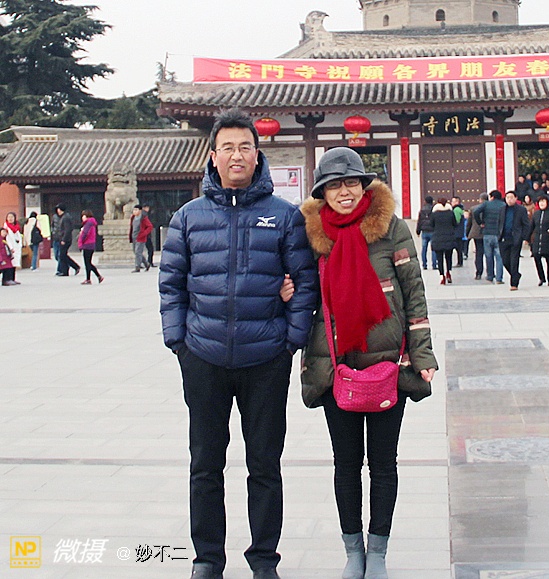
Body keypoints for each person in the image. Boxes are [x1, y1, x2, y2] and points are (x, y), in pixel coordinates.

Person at [159, 108, 318, 579]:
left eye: (244, 146)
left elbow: (305, 282)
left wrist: (290, 340)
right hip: (203, 356)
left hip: (265, 358)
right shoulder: (188, 217)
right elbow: (171, 284)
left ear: (257, 153)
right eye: (227, 147)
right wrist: (179, 341)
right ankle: (208, 558)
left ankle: (264, 559)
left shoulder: (284, 216)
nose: (236, 155)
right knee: (205, 464)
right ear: (213, 155)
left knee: (264, 465)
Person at [299, 146, 437, 579]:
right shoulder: (312, 235)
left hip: (386, 365)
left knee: (383, 464)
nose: (344, 192)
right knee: (345, 465)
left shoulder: (391, 228)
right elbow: (300, 291)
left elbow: (413, 292)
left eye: (351, 183)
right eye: (334, 185)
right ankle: (352, 551)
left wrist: (423, 353)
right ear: (322, 193)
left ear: (364, 185)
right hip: (334, 364)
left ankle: (378, 550)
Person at [498, 191, 531, 290]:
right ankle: (516, 275)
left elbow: (526, 224)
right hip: (504, 238)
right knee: (505, 261)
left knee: (514, 261)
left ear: (516, 198)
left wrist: (524, 237)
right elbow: (499, 223)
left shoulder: (521, 209)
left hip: (515, 239)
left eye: (511, 197)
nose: (509, 199)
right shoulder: (502, 209)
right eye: (507, 197)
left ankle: (514, 284)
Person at [473, 190, 505, 284]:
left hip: (487, 232)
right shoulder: (503, 205)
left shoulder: (486, 204)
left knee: (488, 256)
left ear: (492, 197)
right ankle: (499, 278)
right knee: (499, 257)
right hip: (499, 234)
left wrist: (480, 222)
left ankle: (490, 276)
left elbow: (476, 212)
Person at [429, 197, 458, 284]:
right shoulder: (450, 213)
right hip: (449, 237)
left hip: (438, 238)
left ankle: (442, 276)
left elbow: (431, 225)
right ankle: (449, 272)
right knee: (449, 257)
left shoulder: (434, 214)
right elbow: (455, 224)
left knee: (439, 258)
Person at [529, 194, 549, 286]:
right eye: (540, 202)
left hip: (548, 239)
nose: (542, 203)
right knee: (536, 258)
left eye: (543, 201)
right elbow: (531, 227)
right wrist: (527, 238)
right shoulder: (536, 214)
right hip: (537, 239)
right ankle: (541, 278)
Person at [77, 210, 103, 285]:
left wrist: (80, 242)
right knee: (88, 262)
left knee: (87, 263)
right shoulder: (91, 223)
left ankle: (91, 278)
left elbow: (85, 234)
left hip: (87, 245)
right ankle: (97, 276)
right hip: (91, 244)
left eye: (83, 216)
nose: (82, 217)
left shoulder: (88, 223)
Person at [55, 204, 81, 277]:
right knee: (63, 255)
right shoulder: (64, 217)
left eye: (58, 209)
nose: (57, 211)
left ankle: (73, 267)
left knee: (62, 255)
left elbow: (67, 230)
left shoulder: (66, 218)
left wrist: (64, 239)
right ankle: (67, 270)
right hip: (63, 238)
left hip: (65, 239)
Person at [466, 192, 487, 280]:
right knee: (489, 253)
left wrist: (467, 233)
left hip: (476, 233)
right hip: (488, 232)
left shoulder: (473, 208)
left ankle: (479, 272)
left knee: (479, 253)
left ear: (480, 199)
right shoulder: (490, 208)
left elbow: (469, 223)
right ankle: (490, 272)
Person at [129, 204, 153, 273]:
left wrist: (144, 234)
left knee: (138, 252)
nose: (134, 211)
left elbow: (150, 226)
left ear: (140, 211)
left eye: (136, 210)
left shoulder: (143, 218)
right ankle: (147, 264)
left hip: (141, 238)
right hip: (134, 237)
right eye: (134, 210)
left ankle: (137, 267)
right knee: (136, 252)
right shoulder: (133, 218)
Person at [414, 196, 437, 270]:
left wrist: (418, 231)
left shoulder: (422, 210)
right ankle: (434, 264)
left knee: (424, 248)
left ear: (425, 201)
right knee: (433, 249)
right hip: (432, 231)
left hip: (424, 231)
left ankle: (424, 264)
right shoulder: (434, 210)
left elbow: (419, 221)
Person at [3, 212, 22, 283]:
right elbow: (6, 238)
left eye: (12, 217)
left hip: (16, 247)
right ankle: (8, 279)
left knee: (14, 264)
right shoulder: (6, 227)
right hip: (10, 248)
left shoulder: (16, 227)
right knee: (10, 264)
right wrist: (10, 247)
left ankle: (13, 279)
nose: (10, 219)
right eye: (9, 217)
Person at [451, 196, 465, 266]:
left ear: (457, 202)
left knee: (458, 248)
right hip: (460, 231)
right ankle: (460, 261)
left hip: (456, 232)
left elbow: (457, 221)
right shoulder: (460, 209)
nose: (451, 203)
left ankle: (459, 262)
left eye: (453, 201)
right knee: (459, 248)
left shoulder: (456, 210)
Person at [51, 207, 63, 274]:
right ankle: (67, 264)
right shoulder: (54, 217)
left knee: (60, 255)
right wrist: (53, 232)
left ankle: (59, 270)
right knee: (56, 255)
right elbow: (52, 225)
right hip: (55, 238)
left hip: (61, 238)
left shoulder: (64, 217)